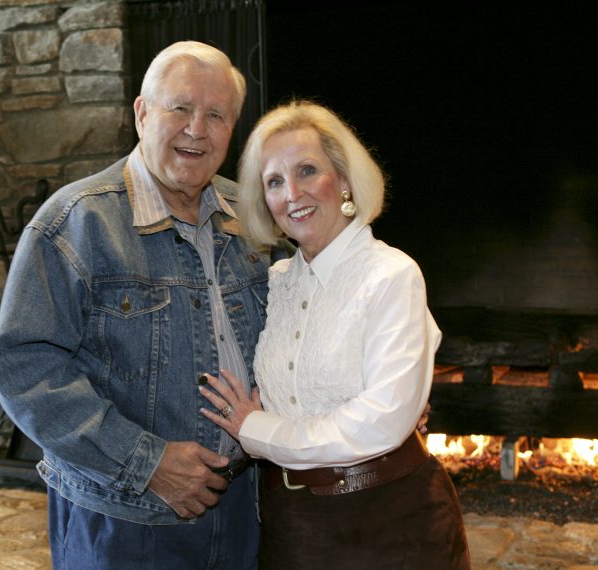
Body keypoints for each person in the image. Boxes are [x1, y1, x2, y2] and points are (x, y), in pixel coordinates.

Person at [0, 41, 290, 569]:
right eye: (180, 108)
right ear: (141, 112)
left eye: (216, 115)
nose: (197, 129)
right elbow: (27, 371)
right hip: (121, 519)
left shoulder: (254, 219)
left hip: (246, 509)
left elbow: (304, 321)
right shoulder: (75, 223)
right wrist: (149, 463)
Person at [199, 100, 471, 569]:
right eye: (274, 182)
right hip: (290, 524)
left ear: (344, 179)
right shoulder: (277, 280)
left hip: (389, 520)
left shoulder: (391, 274)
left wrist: (258, 430)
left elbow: (382, 419)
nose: (292, 194)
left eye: (307, 170)